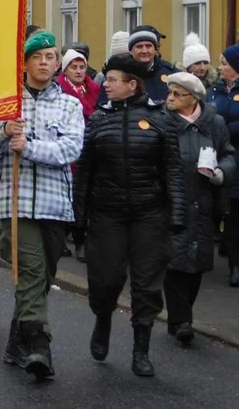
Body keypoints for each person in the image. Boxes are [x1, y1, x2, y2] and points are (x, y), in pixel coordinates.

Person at [0, 31, 84, 379]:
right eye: (37, 56)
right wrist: (4, 133)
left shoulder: (69, 104)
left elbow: (70, 151)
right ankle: (40, 345)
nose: (44, 62)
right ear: (24, 63)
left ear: (57, 63)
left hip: (55, 206)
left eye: (51, 57)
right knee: (33, 272)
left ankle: (15, 342)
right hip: (16, 204)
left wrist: (30, 147)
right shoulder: (5, 103)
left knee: (38, 280)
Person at [74, 53, 185, 377]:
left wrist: (177, 213)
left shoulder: (160, 119)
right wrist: (78, 218)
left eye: (112, 80)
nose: (104, 84)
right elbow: (85, 173)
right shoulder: (98, 120)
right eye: (106, 79)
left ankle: (141, 349)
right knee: (105, 279)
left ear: (131, 84)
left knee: (147, 284)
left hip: (149, 214)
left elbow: (173, 171)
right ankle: (103, 317)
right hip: (107, 213)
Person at [163, 72, 235, 344]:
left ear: (193, 98)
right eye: (170, 93)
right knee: (173, 262)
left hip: (205, 201)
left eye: (177, 94)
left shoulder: (214, 122)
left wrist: (222, 172)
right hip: (173, 200)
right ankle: (182, 320)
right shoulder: (164, 121)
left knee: (197, 264)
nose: (170, 99)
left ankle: (180, 316)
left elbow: (228, 153)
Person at [56, 48, 100, 260]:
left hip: (91, 146)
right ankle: (64, 237)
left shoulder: (95, 89)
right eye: (74, 67)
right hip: (70, 147)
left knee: (85, 196)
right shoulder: (59, 89)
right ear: (65, 70)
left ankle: (82, 239)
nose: (79, 71)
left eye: (82, 67)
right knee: (69, 195)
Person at [208, 43, 239, 287]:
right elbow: (209, 119)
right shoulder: (215, 90)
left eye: (225, 64)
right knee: (230, 214)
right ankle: (234, 265)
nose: (219, 67)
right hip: (223, 160)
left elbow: (219, 122)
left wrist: (225, 128)